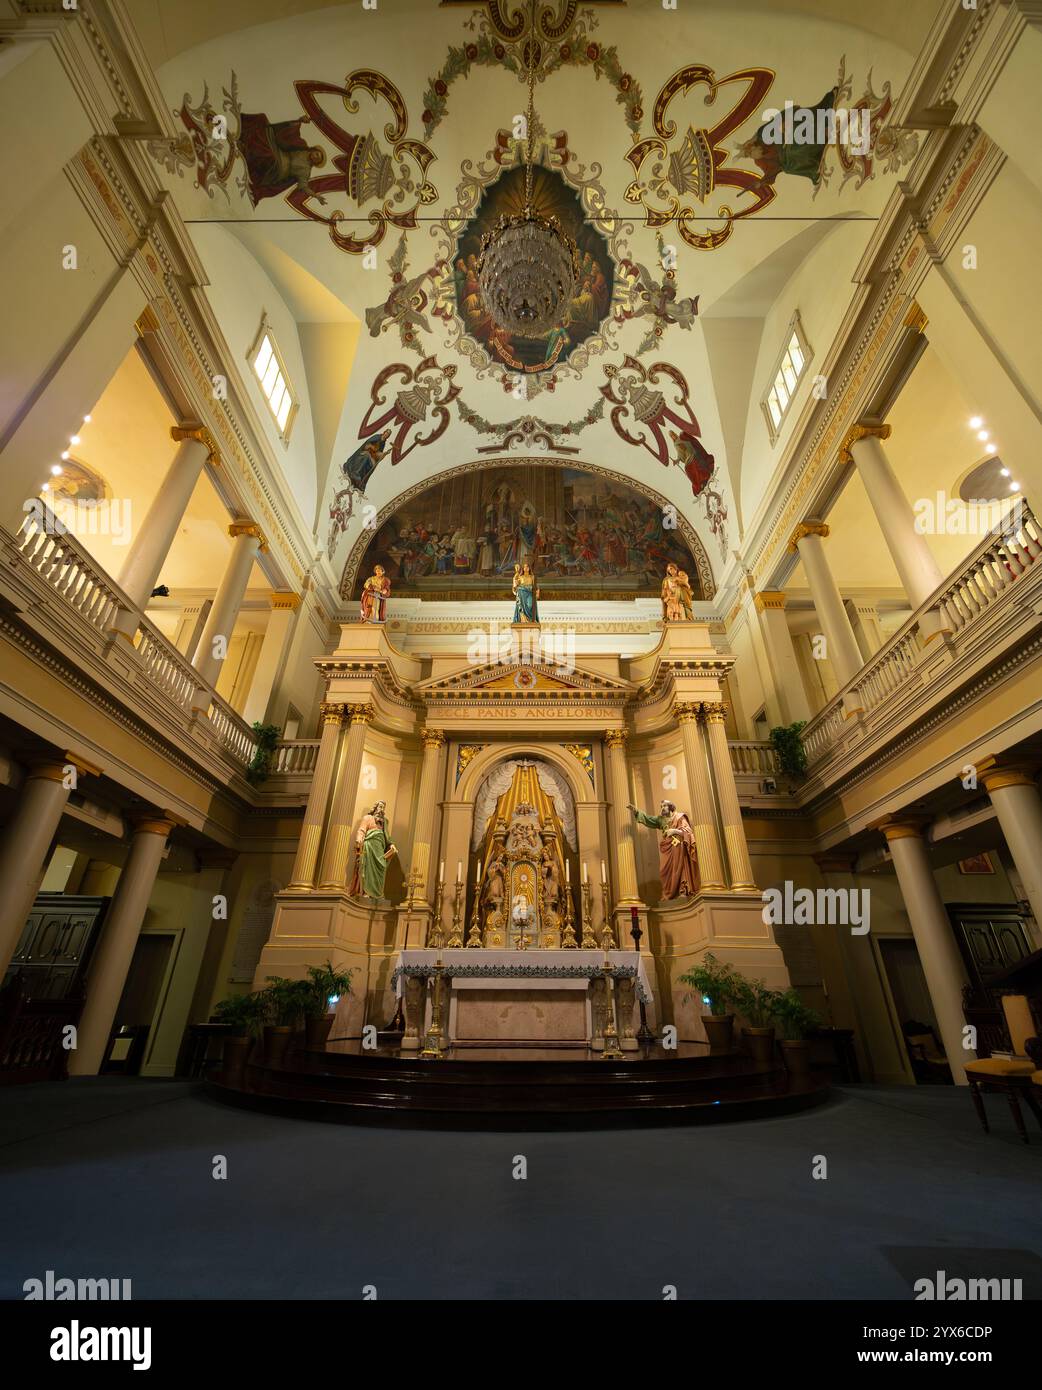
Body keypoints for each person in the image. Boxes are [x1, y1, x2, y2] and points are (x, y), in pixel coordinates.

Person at [628, 799, 700, 898]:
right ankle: (669, 894)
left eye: (665, 806)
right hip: (667, 847)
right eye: (661, 806)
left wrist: (675, 831)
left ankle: (682, 890)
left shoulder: (680, 817)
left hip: (678, 846)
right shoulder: (660, 819)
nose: (662, 808)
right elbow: (648, 819)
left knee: (678, 867)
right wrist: (636, 811)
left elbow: (688, 831)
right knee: (663, 871)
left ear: (671, 807)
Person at [350, 801, 397, 900]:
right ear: (375, 808)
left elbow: (387, 837)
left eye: (383, 807)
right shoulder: (368, 818)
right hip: (369, 847)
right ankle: (366, 892)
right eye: (380, 807)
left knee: (382, 867)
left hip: (380, 849)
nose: (382, 809)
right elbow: (362, 830)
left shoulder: (385, 822)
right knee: (367, 869)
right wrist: (359, 840)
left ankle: (377, 894)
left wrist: (392, 845)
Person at [512, 561, 540, 625]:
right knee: (522, 607)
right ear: (523, 568)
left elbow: (536, 586)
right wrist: (516, 574)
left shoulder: (532, 576)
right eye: (524, 567)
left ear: (529, 568)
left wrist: (537, 593)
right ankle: (523, 620)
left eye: (527, 566)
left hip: (530, 593)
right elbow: (515, 585)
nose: (526, 568)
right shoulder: (520, 577)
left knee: (530, 605)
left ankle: (530, 619)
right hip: (522, 593)